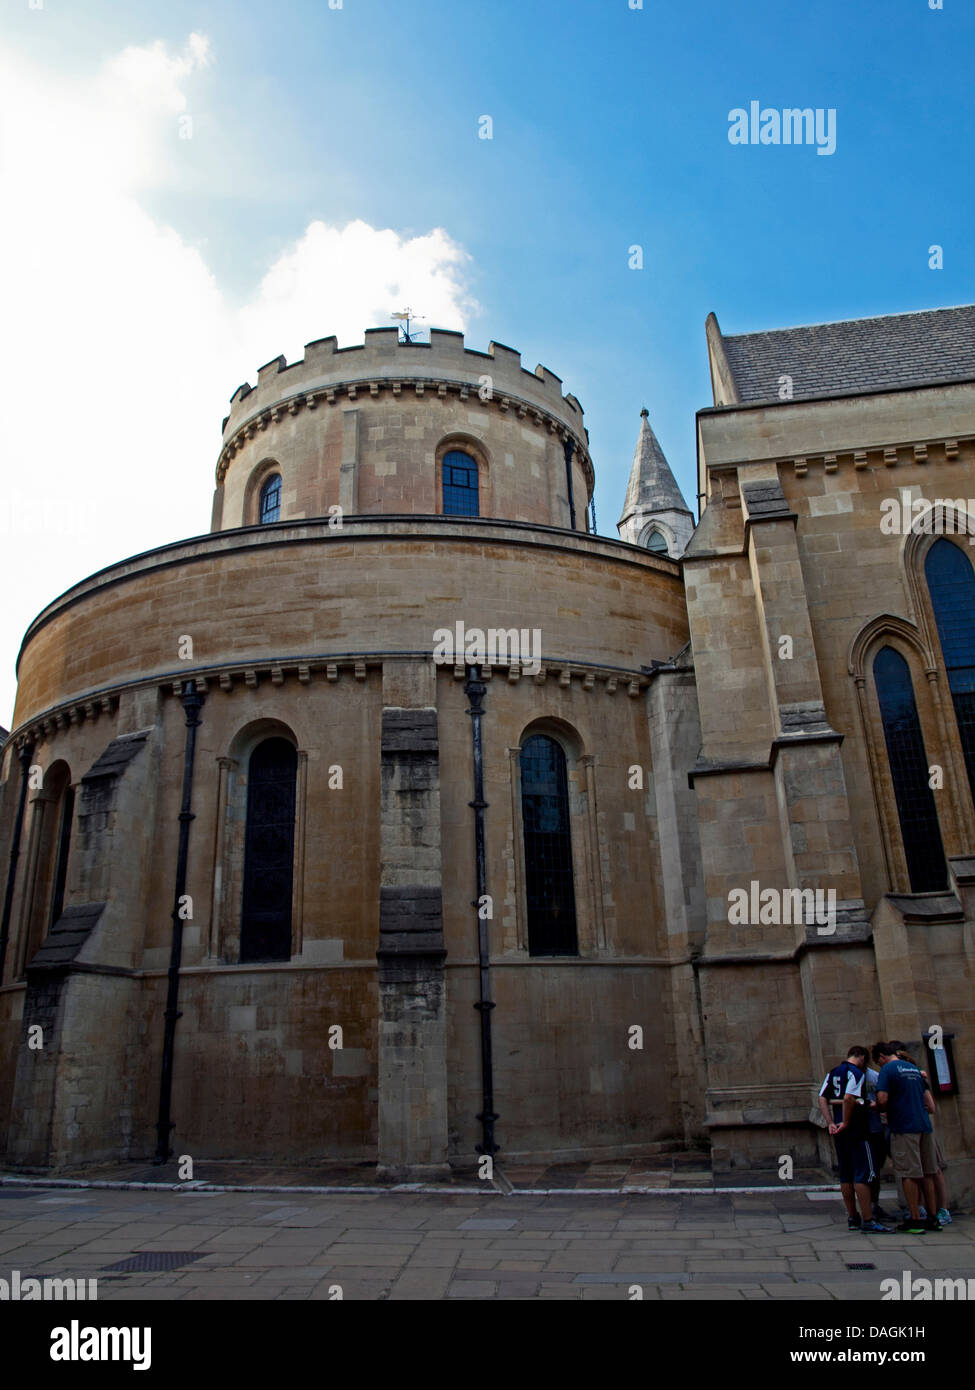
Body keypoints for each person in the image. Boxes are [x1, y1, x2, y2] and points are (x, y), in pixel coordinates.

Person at [818, 1046, 890, 1233]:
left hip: (839, 1132)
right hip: (857, 1130)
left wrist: (831, 1122)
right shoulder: (857, 1073)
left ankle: (853, 1217)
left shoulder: (833, 1072)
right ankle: (868, 1219)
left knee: (846, 1175)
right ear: (862, 1058)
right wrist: (847, 1122)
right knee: (862, 1174)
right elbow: (850, 1098)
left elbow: (822, 1098)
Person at [874, 1043, 940, 1233]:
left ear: (881, 1057)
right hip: (924, 1125)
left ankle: (915, 1219)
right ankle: (932, 1217)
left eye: (877, 1061)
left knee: (908, 1173)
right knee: (927, 1172)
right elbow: (930, 1104)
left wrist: (879, 1107)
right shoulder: (914, 1068)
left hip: (904, 1126)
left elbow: (883, 1099)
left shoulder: (888, 1070)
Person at [894, 1046, 952, 1225]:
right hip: (921, 1127)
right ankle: (931, 1210)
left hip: (917, 1128)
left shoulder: (914, 1075)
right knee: (925, 1170)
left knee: (929, 1170)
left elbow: (931, 1107)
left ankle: (937, 1210)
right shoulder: (916, 1075)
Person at [864, 1049, 892, 1219]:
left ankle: (870, 1207)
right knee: (872, 1169)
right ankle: (871, 1207)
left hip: (873, 1129)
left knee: (870, 1169)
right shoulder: (876, 1075)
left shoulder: (875, 1076)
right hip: (873, 1129)